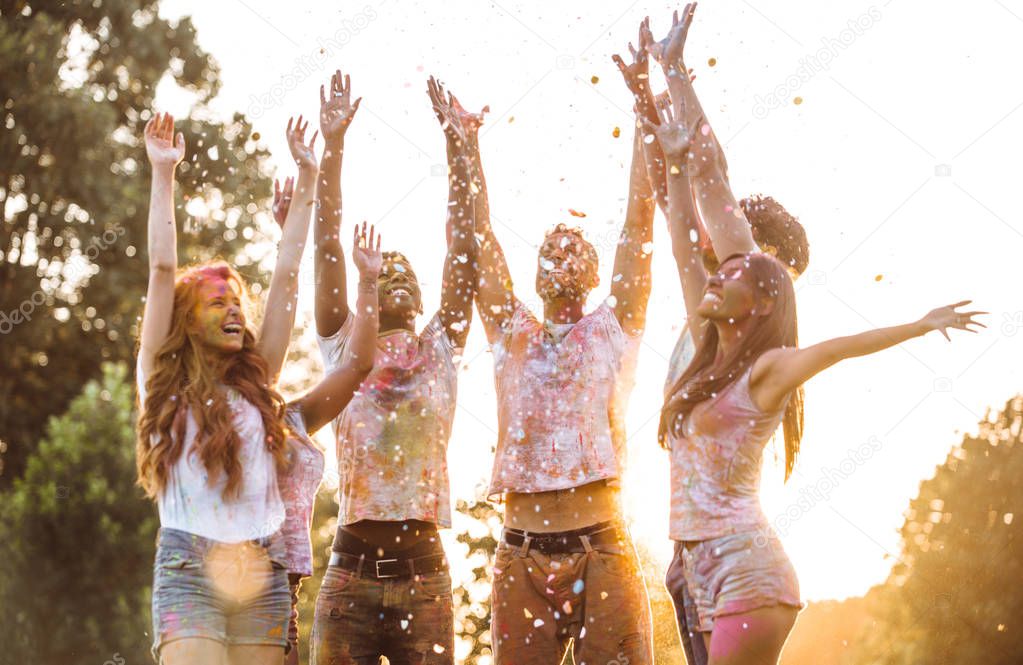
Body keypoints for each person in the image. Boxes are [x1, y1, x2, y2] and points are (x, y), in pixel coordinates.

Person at [645, 76, 985, 664]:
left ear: (765, 295)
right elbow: (679, 232)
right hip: (689, 561)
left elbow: (841, 347)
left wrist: (920, 324)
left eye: (738, 268)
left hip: (744, 565)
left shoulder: (768, 367)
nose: (721, 268)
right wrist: (662, 129)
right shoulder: (704, 345)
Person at [614, 10, 809, 662]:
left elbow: (707, 176)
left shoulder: (747, 327)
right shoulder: (712, 310)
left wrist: (670, 73)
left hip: (727, 558)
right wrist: (648, 97)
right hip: (686, 554)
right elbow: (690, 180)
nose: (736, 260)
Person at [463, 61, 656, 663]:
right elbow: (480, 239)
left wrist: (644, 108)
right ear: (536, 274)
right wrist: (467, 146)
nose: (560, 255)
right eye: (550, 250)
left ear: (596, 274)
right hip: (520, 550)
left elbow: (637, 224)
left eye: (573, 248)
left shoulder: (613, 326)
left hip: (602, 543)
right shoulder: (510, 331)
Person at [136, 112, 330, 665]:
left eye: (236, 300)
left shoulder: (256, 379)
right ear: (187, 319)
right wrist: (163, 172)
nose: (233, 308)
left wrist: (309, 176)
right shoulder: (161, 381)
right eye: (216, 301)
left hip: (260, 570)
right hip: (188, 567)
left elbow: (288, 274)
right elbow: (160, 267)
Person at [308, 71, 477, 665]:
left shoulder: (440, 347)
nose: (398, 271)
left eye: (409, 269)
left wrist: (459, 147)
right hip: (349, 575)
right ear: (366, 289)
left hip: (425, 578)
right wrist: (333, 146)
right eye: (388, 266)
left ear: (425, 298)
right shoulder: (342, 346)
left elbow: (465, 248)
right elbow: (326, 243)